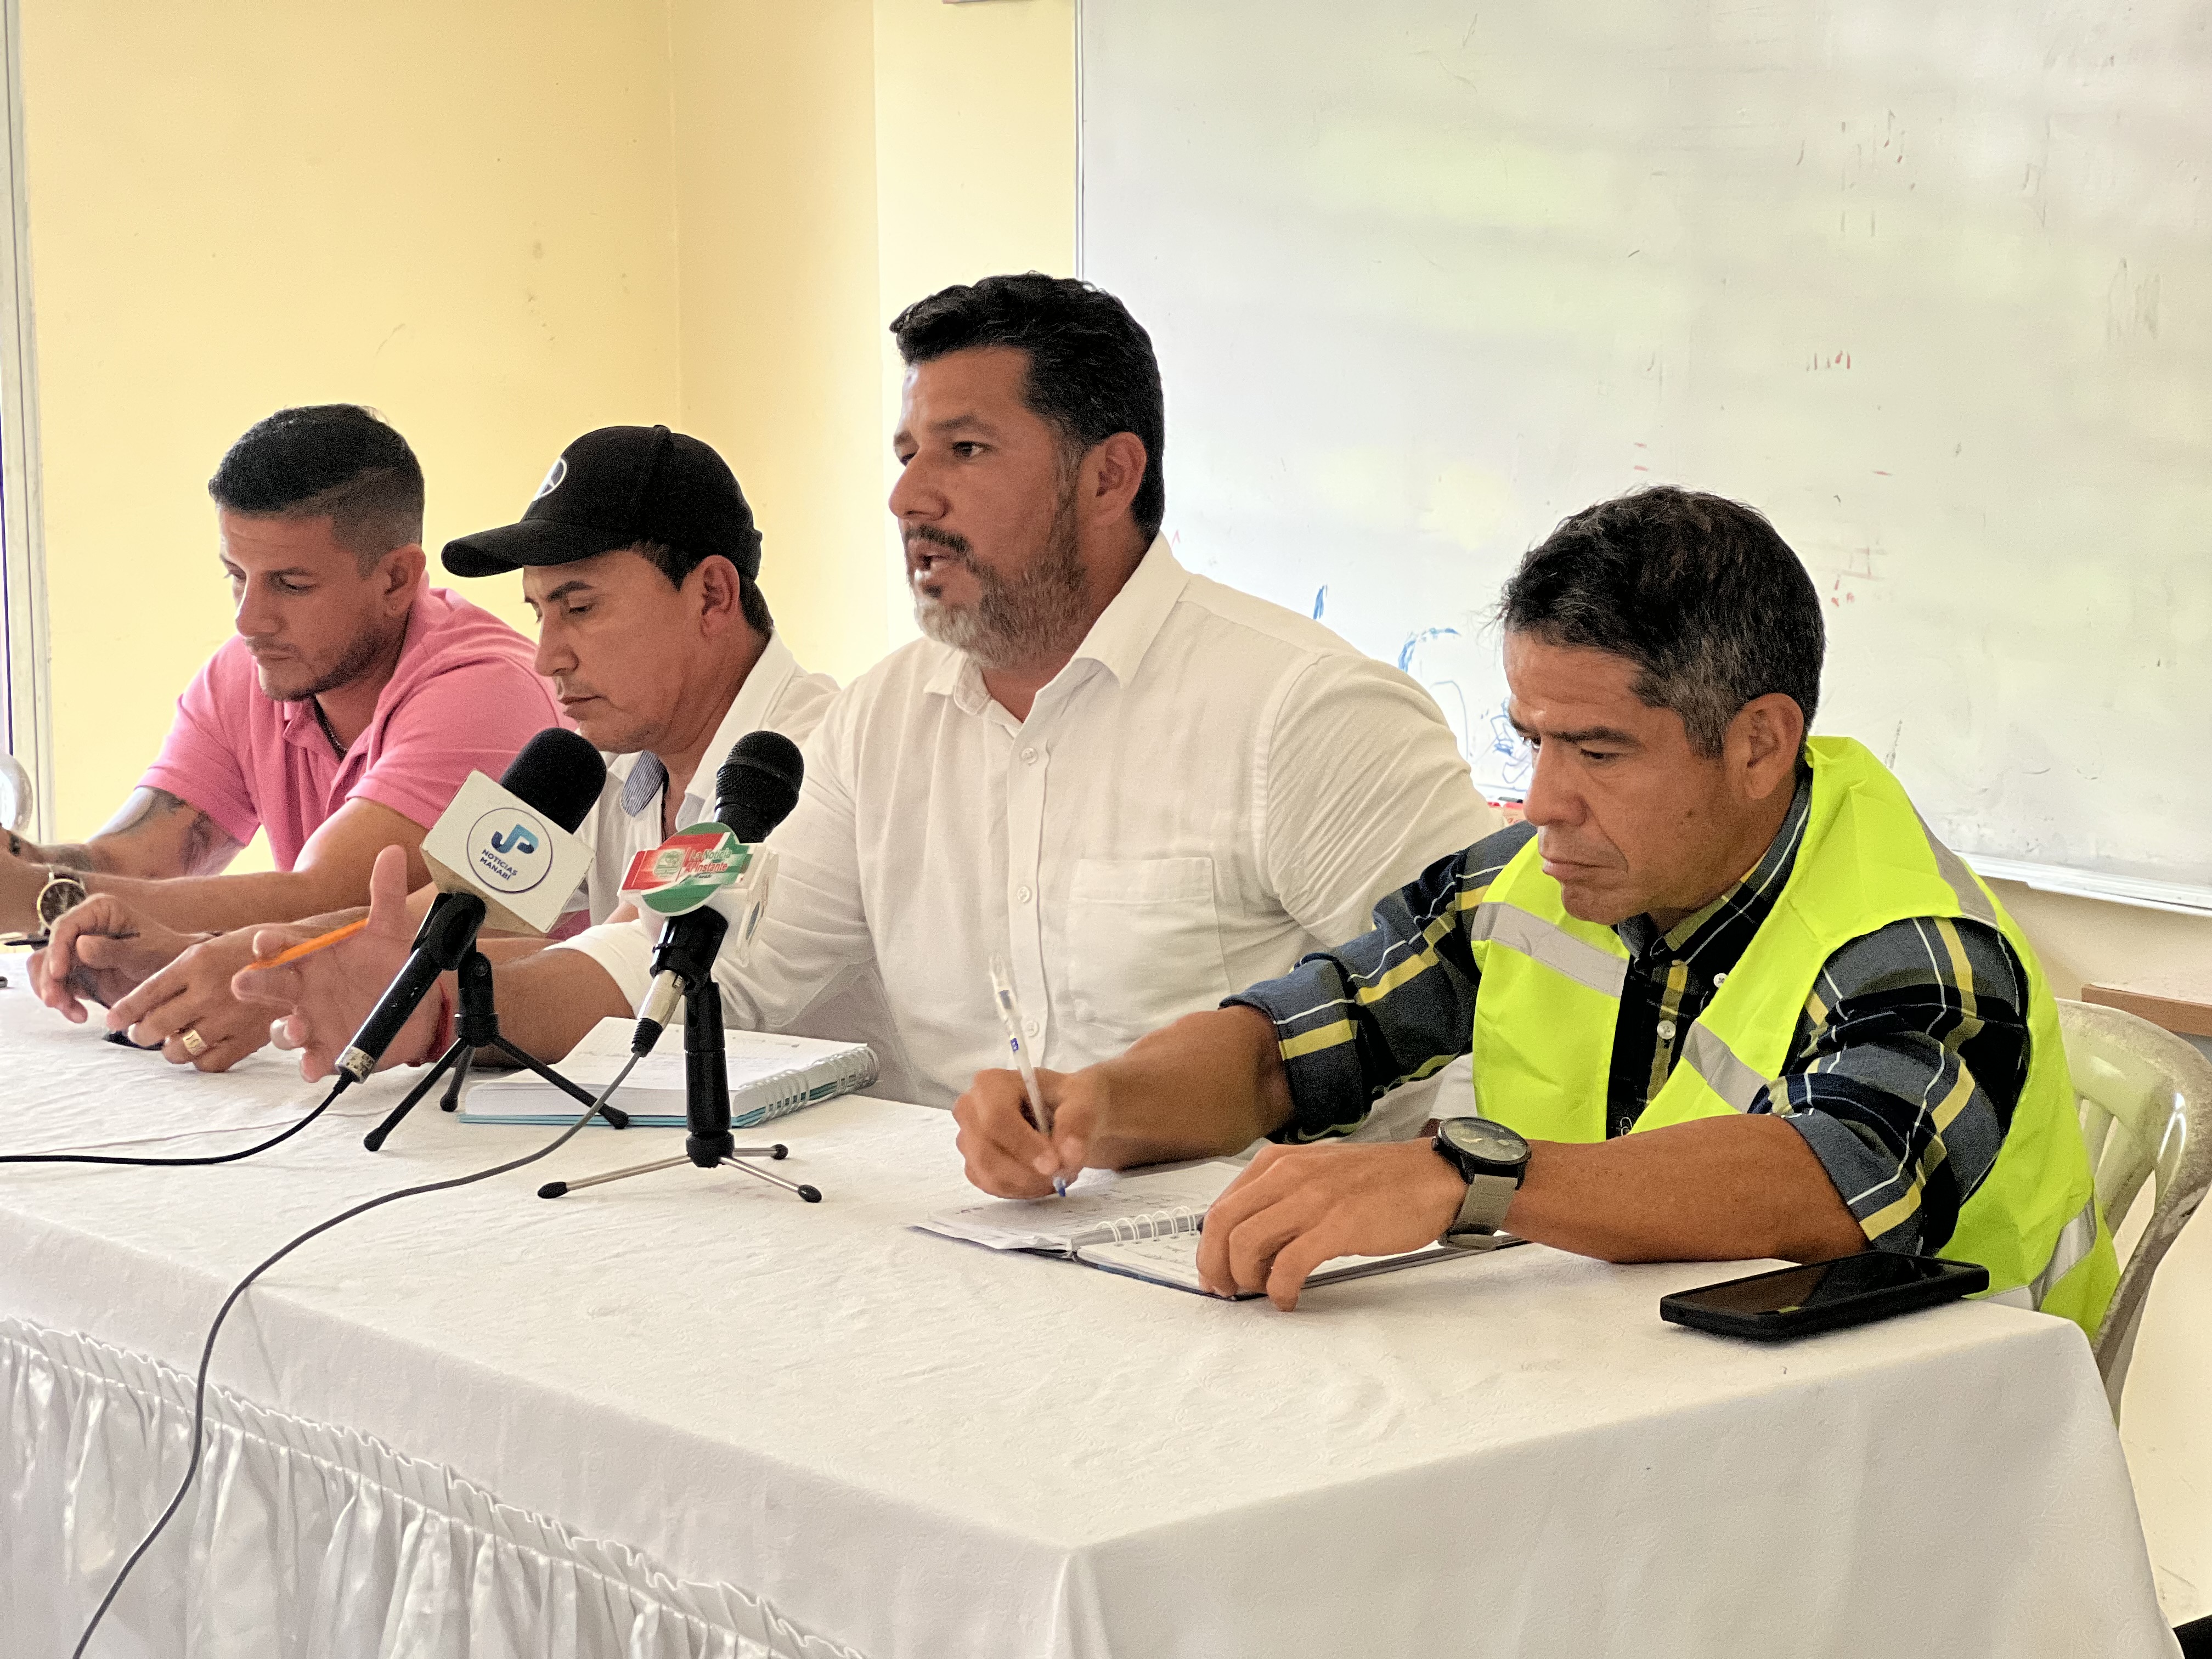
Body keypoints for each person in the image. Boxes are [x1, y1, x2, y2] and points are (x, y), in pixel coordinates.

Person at [235, 274, 1497, 1117]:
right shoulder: (878, 728)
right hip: (966, 1252)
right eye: (904, 454)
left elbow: (1494, 1011)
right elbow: (720, 965)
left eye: (966, 451)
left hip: (1261, 1281)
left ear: (1111, 476)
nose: (907, 497)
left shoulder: (1303, 712)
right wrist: (452, 999)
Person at [950, 485, 2117, 1339]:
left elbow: (1841, 1179)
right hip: (1629, 1387)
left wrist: (1467, 1176)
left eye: (1598, 750)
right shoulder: (1533, 877)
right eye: (1532, 740)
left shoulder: (1915, 943)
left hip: (1931, 1451)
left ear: (1760, 744)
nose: (1545, 799)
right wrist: (1098, 1106)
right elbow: (1294, 1043)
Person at [37, 425, 840, 1073]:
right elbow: (448, 913)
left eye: (580, 607)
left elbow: (642, 964)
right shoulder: (596, 760)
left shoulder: (819, 762)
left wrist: (402, 1008)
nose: (546, 658)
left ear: (712, 595)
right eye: (538, 614)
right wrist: (228, 961)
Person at [14, 404, 557, 1069]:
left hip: (522, 1073)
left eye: (291, 585)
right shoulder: (251, 669)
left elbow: (335, 896)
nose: (249, 620)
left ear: (396, 579)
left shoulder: (486, 689)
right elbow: (132, 863)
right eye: (235, 576)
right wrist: (60, 898)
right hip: (361, 1060)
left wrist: (33, 895)